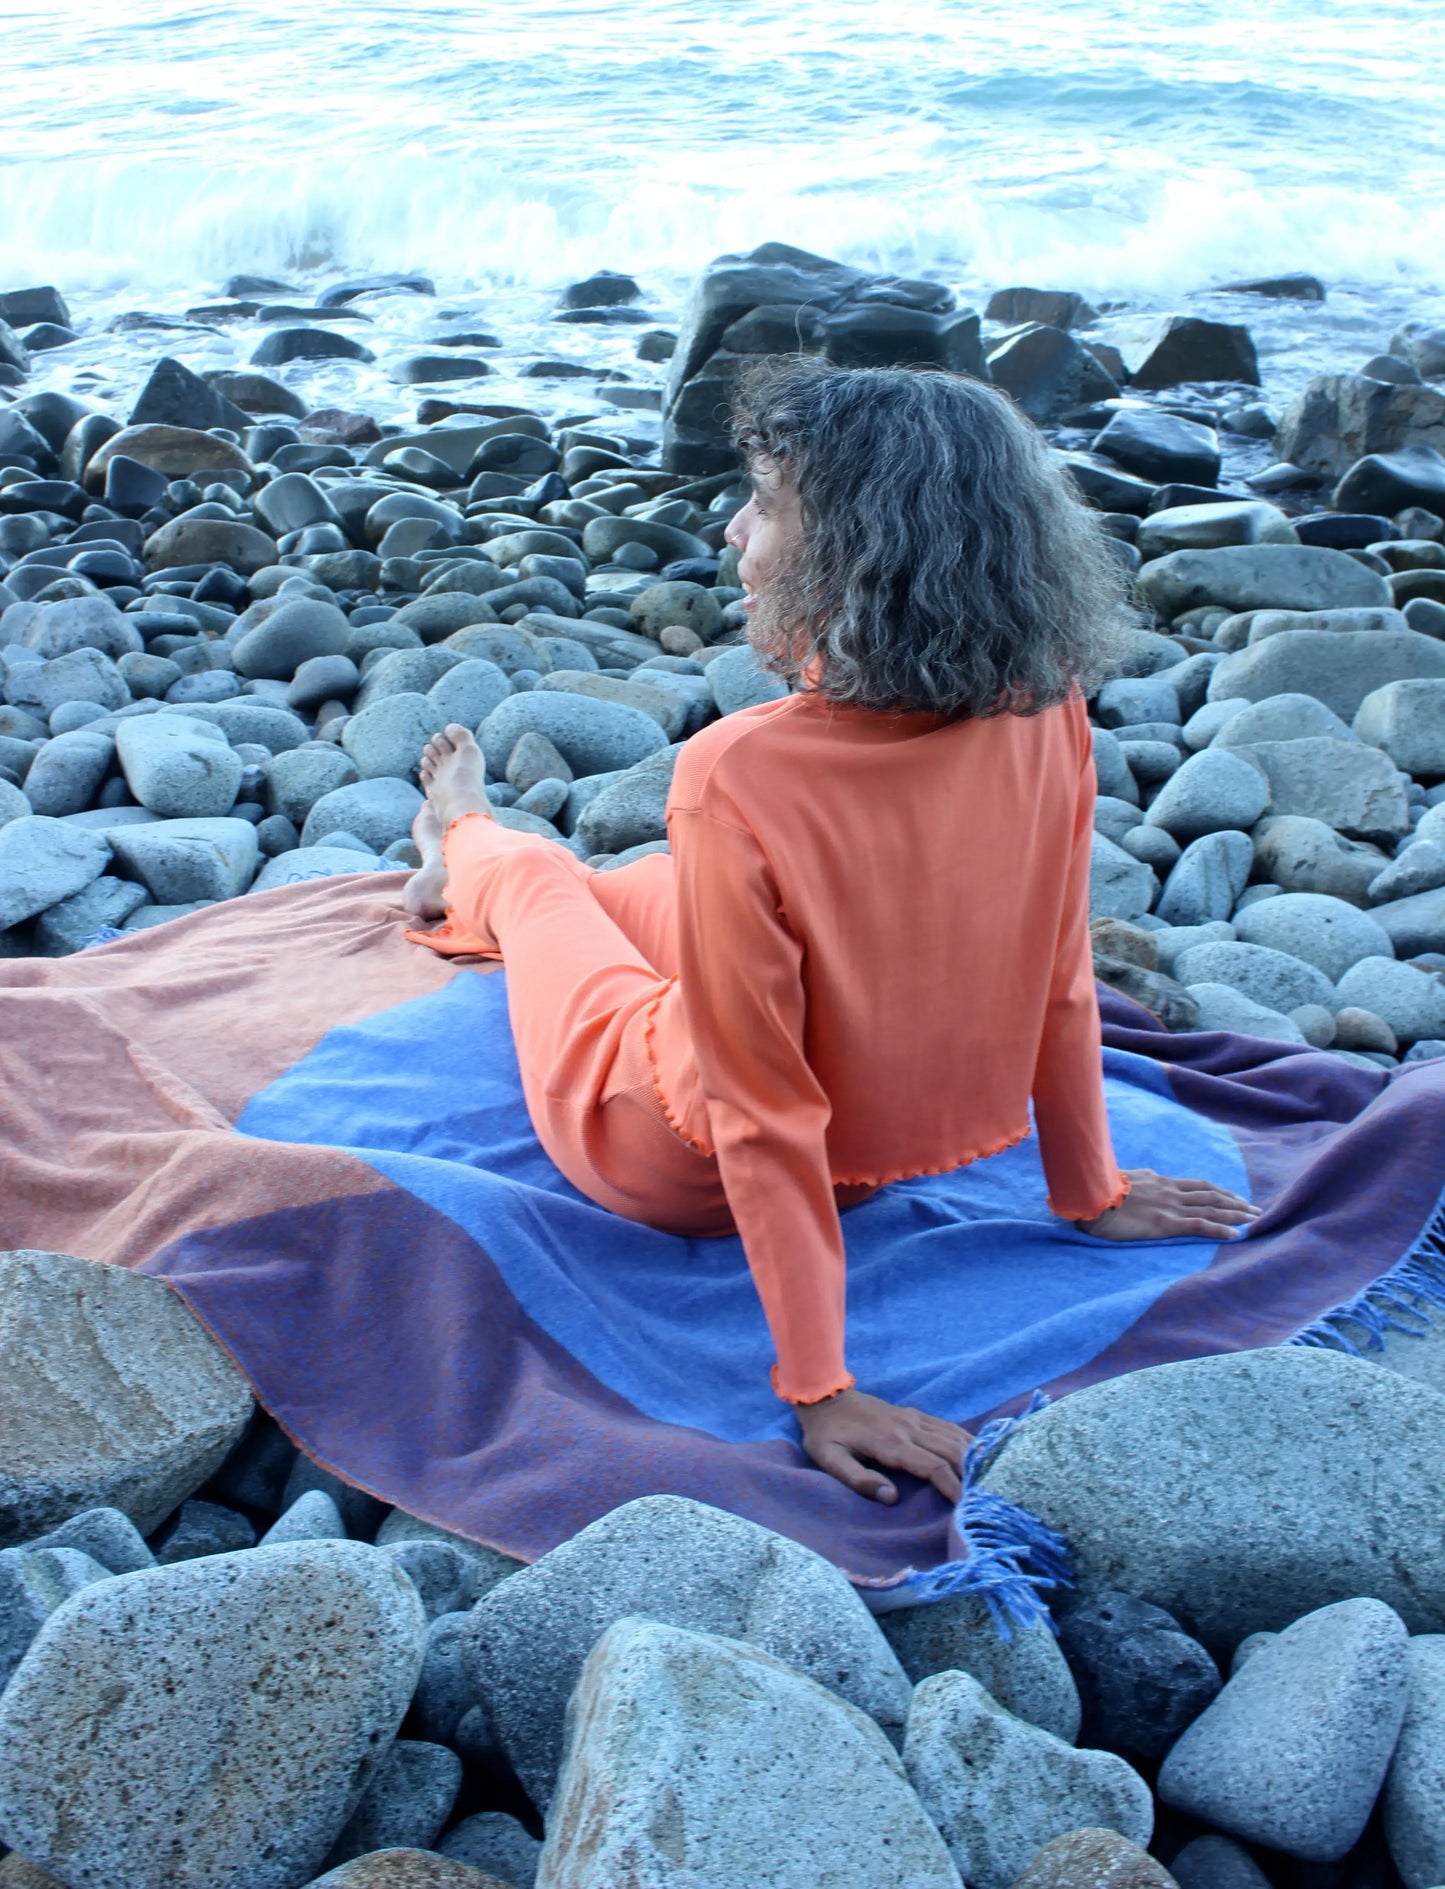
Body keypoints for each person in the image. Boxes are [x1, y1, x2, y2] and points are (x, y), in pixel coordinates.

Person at [403, 358, 1258, 1506]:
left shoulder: (737, 772)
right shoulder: (1047, 696)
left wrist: (819, 1387)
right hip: (867, 1154)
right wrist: (1085, 1191)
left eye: (762, 503)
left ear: (851, 553)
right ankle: (496, 869)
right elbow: (1056, 972)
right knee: (651, 881)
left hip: (670, 1152)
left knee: (543, 885)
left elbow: (757, 1113)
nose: (730, 528)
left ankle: (459, 838)